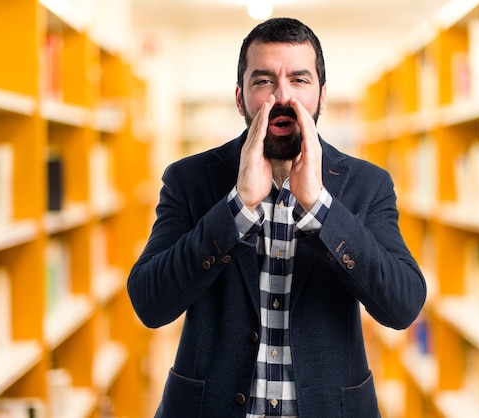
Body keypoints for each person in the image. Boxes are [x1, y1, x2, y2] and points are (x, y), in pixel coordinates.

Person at [127, 17, 426, 418]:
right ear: (240, 97)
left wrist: (320, 206)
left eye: (300, 80)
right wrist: (237, 206)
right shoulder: (190, 179)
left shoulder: (366, 184)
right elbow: (149, 302)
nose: (282, 96)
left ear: (321, 95)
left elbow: (403, 305)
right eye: (264, 81)